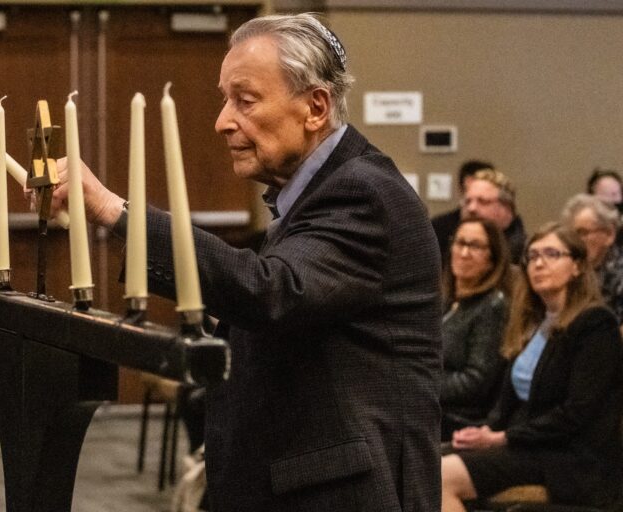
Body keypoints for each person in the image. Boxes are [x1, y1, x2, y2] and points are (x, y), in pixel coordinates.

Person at [48, 13, 442, 512]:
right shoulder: (317, 191)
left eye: (245, 100)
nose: (223, 121)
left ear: (315, 107)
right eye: (225, 99)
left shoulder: (362, 192)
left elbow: (272, 290)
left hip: (345, 493)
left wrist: (112, 209)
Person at [441, 223, 623, 511]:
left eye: (551, 254)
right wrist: (484, 432)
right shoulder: (533, 324)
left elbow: (577, 413)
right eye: (532, 256)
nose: (539, 263)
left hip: (571, 457)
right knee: (420, 461)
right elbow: (508, 405)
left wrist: (502, 437)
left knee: (440, 477)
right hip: (527, 444)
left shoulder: (595, 324)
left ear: (576, 266)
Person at [440, 218, 511, 441]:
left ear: (492, 259)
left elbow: (475, 382)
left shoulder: (493, 306)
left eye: (475, 246)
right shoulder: (445, 300)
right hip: (431, 406)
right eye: (460, 243)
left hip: (458, 420)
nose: (464, 252)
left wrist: (418, 384)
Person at [562, 193, 623, 322]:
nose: (576, 241)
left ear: (609, 234)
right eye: (573, 235)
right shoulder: (571, 272)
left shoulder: (619, 274)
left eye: (583, 233)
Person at [432, 159, 494, 260]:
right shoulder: (439, 227)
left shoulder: (502, 230)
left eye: (482, 199)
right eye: (468, 192)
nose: (472, 207)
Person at [462, 169, 526, 264]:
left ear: (507, 208)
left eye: (483, 201)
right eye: (468, 202)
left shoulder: (524, 256)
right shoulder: (456, 249)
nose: (471, 208)